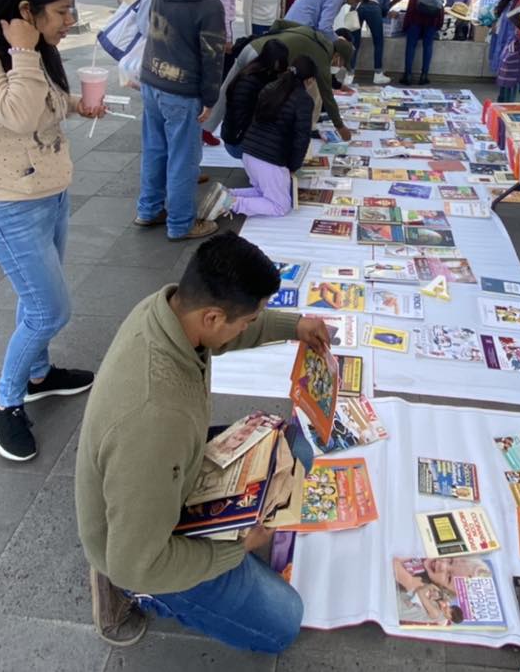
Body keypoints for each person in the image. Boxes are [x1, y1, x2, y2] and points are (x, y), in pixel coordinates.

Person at [76, 232, 333, 650]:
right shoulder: (155, 417)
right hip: (138, 549)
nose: (250, 326)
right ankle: (127, 595)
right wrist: (236, 550)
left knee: (294, 448)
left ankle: (215, 541)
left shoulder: (168, 309)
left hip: (174, 470)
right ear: (212, 318)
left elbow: (234, 328)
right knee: (283, 623)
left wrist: (295, 326)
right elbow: (136, 562)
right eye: (248, 320)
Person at [0, 0, 106, 462]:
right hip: (3, 203)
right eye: (62, 12)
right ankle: (6, 401)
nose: (70, 22)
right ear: (25, 10)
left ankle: (41, 374)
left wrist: (76, 104)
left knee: (37, 296)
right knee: (50, 307)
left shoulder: (27, 49)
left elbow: (42, 98)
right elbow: (17, 113)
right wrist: (25, 50)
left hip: (48, 191)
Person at [136, 0, 248, 241]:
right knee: (183, 160)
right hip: (181, 90)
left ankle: (148, 210)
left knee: (155, 151)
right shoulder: (208, 6)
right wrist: (210, 100)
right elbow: (213, 58)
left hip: (151, 80)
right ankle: (181, 224)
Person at [204, 56, 317, 220]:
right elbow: (302, 138)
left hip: (249, 152)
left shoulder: (271, 87)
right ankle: (231, 203)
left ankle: (226, 194)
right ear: (310, 80)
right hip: (269, 159)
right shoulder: (303, 99)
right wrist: (293, 166)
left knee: (261, 192)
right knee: (281, 206)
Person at [209, 22, 354, 142]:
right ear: (337, 56)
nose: (339, 67)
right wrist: (340, 127)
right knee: (255, 98)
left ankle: (207, 127)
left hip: (253, 47)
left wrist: (273, 43)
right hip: (263, 58)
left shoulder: (313, 34)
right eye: (341, 64)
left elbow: (279, 23)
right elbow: (327, 95)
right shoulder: (323, 56)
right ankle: (243, 140)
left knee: (228, 88)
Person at [218, 39, 289, 159]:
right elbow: (242, 118)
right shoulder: (249, 81)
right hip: (238, 141)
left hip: (243, 135)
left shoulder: (265, 74)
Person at [392, 0, 445, 85]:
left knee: (411, 44)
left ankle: (408, 75)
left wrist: (391, 3)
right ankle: (424, 75)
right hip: (432, 15)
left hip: (416, 14)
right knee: (428, 45)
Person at [348, 0, 390, 85]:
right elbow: (385, 5)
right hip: (373, 7)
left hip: (356, 5)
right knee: (378, 41)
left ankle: (349, 75)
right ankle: (378, 74)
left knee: (354, 42)